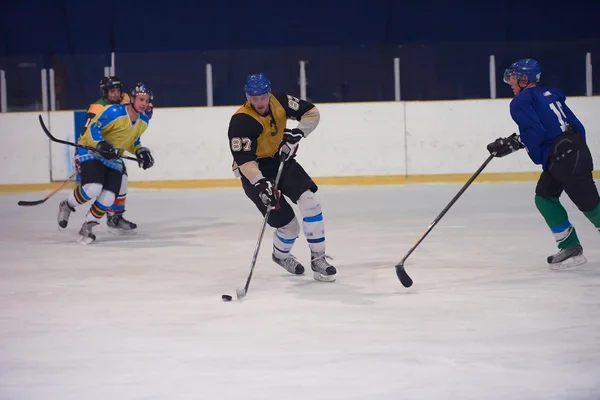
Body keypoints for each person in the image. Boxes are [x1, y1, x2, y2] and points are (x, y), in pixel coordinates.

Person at [487, 58, 600, 270]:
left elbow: (535, 132)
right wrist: (577, 150)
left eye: (512, 78)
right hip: (568, 153)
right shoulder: (549, 94)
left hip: (564, 158)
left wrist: (523, 146)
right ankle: (570, 247)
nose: (510, 82)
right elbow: (576, 125)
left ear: (524, 79)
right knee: (544, 197)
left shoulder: (520, 102)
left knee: (591, 206)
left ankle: (572, 247)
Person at [227, 73, 336, 282]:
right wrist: (260, 182)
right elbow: (243, 159)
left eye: (262, 97)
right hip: (254, 172)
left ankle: (318, 258)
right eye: (253, 97)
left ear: (269, 93)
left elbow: (311, 112)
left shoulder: (280, 101)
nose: (259, 102)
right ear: (247, 96)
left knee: (311, 203)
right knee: (289, 227)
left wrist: (298, 133)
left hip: (281, 161)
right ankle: (280, 255)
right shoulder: (241, 121)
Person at [57, 82, 155, 244]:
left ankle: (88, 226)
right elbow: (93, 129)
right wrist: (101, 144)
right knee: (93, 187)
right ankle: (67, 205)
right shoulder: (114, 112)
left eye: (147, 100)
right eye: (141, 99)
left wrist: (139, 151)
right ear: (132, 99)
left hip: (112, 158)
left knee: (109, 197)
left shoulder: (143, 120)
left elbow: (131, 140)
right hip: (91, 151)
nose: (144, 103)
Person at [79, 76, 154, 233]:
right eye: (112, 91)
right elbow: (87, 132)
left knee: (122, 180)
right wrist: (90, 150)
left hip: (113, 152)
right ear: (104, 92)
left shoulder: (126, 100)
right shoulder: (97, 107)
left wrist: (139, 150)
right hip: (96, 149)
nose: (116, 94)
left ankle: (115, 216)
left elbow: (141, 116)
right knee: (95, 188)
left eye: (118, 90)